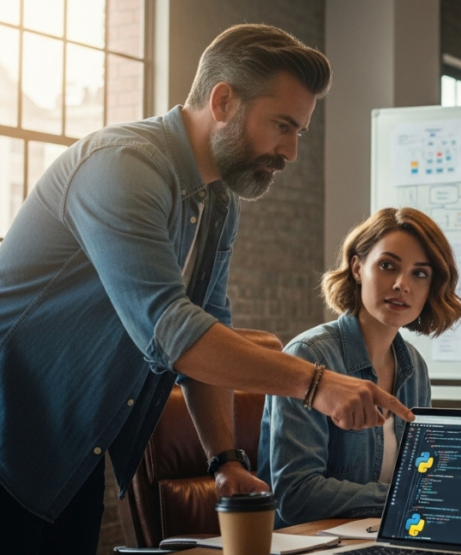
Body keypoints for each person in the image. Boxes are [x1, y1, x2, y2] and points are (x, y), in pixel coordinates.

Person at [0, 24, 413, 555]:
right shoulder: (122, 165)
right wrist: (316, 384)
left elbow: (209, 330)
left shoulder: (218, 200)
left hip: (67, 458)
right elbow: (172, 330)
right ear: (223, 101)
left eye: (299, 132)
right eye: (282, 126)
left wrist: (226, 460)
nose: (289, 151)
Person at [259, 207, 461, 526]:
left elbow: (421, 475)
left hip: (378, 534)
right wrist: (400, 496)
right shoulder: (309, 355)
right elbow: (295, 496)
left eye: (419, 273)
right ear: (357, 268)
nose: (401, 284)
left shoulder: (414, 368)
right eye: (387, 266)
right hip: (311, 544)